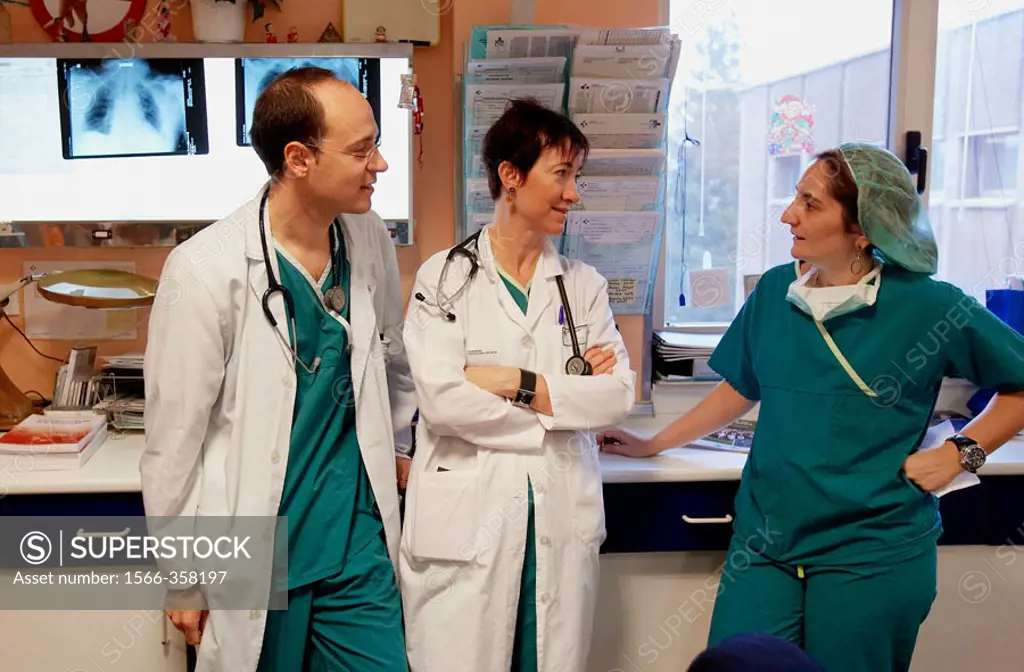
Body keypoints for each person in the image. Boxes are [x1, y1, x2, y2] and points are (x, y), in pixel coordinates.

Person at [599, 143, 1024, 672]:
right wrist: (654, 442)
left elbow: (1020, 386)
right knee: (732, 664)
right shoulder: (778, 290)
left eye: (810, 203)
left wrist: (964, 453)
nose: (787, 214)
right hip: (766, 544)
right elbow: (743, 385)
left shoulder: (928, 306)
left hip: (870, 552)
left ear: (865, 228)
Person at [141, 67, 417, 672]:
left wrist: (400, 444)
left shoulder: (368, 237)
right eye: (361, 149)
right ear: (298, 158)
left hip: (357, 542)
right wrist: (183, 574)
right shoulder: (204, 269)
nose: (380, 165)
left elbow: (393, 359)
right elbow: (173, 441)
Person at [399, 98, 636, 672]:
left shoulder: (583, 286)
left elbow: (618, 396)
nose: (573, 194)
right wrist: (559, 410)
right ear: (511, 175)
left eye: (574, 177)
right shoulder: (445, 276)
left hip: (556, 517)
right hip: (466, 526)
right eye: (560, 174)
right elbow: (444, 402)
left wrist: (516, 383)